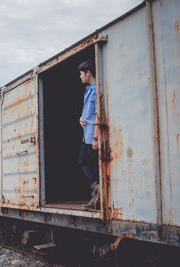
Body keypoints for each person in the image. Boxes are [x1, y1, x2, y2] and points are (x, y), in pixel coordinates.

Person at [77, 59, 100, 209]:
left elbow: (99, 114)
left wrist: (96, 138)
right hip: (86, 134)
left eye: (81, 74)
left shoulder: (97, 89)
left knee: (92, 164)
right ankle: (96, 188)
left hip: (92, 135)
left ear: (88, 72)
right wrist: (80, 119)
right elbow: (87, 113)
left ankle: (96, 193)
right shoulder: (88, 90)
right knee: (83, 161)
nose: (80, 77)